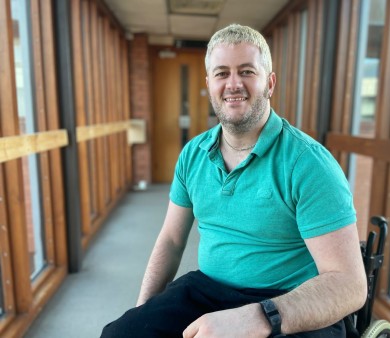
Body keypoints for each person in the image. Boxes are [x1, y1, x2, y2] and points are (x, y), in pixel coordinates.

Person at [101, 23, 366, 338]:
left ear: (269, 83)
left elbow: (349, 286)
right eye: (222, 73)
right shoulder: (193, 154)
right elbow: (171, 241)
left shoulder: (308, 164)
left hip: (289, 303)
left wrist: (259, 317)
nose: (233, 84)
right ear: (210, 84)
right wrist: (142, 312)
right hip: (208, 291)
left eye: (247, 71)